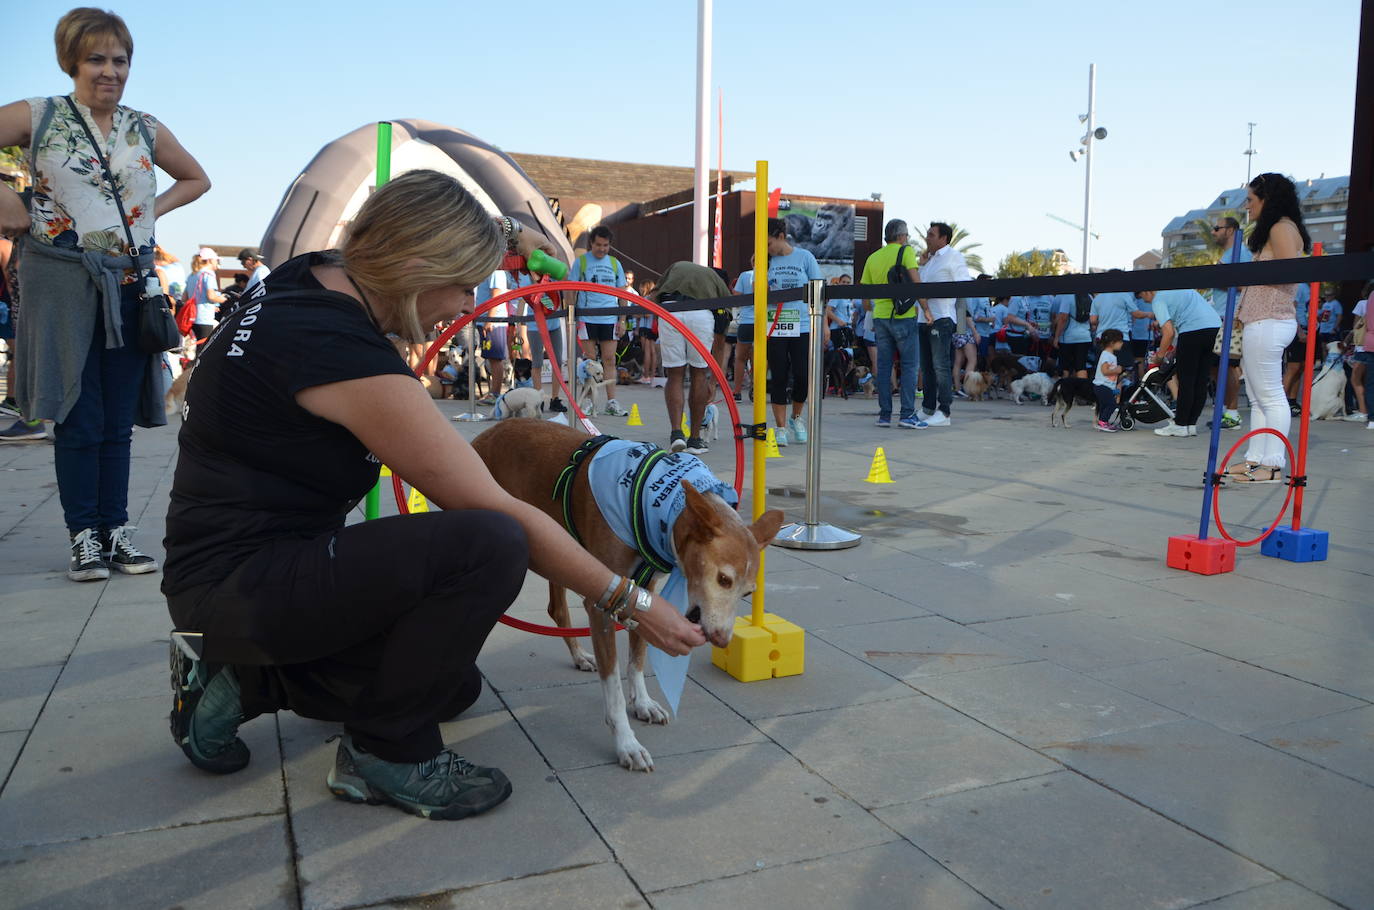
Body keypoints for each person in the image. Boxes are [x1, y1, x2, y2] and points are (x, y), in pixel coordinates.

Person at [161, 169, 707, 820]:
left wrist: (507, 230)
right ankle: (385, 753)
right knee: (491, 542)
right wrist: (635, 601)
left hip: (250, 568)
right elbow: (494, 506)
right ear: (418, 267)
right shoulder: (336, 350)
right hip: (236, 584)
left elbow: (424, 225)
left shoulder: (321, 275)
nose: (466, 305)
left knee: (448, 684)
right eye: (464, 286)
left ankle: (239, 679)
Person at [0, 8, 210, 579]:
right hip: (61, 278)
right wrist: (4, 193)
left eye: (120, 60)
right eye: (96, 58)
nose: (109, 71)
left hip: (129, 280)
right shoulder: (41, 115)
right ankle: (83, 537)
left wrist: (146, 219)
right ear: (72, 60)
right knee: (77, 412)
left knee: (119, 418)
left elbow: (197, 178)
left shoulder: (145, 125)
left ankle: (116, 532)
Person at [1228, 172, 1312, 481]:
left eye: (1250, 199)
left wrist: (1248, 278)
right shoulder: (1278, 228)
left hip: (1271, 319)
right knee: (1259, 393)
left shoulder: (1281, 227)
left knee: (1271, 395)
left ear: (1267, 199)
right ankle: (1256, 460)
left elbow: (1288, 273)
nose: (1246, 205)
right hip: (1261, 319)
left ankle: (1273, 464)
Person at [651, 262, 727, 454]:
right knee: (699, 375)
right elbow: (719, 345)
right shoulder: (719, 284)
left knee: (675, 375)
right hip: (701, 312)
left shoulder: (677, 266)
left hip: (669, 309)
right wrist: (713, 383)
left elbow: (654, 294)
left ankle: (676, 435)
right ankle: (694, 440)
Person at [763, 217, 822, 445]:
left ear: (780, 237)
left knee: (802, 375)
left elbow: (818, 290)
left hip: (803, 325)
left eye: (768, 244)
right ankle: (779, 427)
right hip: (775, 325)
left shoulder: (805, 257)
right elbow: (759, 293)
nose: (767, 249)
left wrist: (823, 324)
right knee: (778, 376)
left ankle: (796, 418)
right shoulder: (765, 260)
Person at [859, 219, 922, 428]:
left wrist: (875, 308)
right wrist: (926, 309)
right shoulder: (906, 252)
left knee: (884, 367)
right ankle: (907, 415)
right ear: (902, 236)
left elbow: (865, 298)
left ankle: (884, 415)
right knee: (909, 365)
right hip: (903, 316)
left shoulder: (873, 257)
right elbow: (916, 282)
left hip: (880, 317)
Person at [1138, 288, 1220, 437]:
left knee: (1186, 380)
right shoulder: (1181, 288)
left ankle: (1180, 425)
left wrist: (1160, 356)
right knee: (1200, 380)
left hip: (1192, 331)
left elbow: (1169, 333)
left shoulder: (1158, 299)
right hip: (1214, 328)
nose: (1146, 302)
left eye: (1143, 298)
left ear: (1147, 291)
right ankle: (1191, 424)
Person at [568, 225, 628, 416]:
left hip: (609, 318)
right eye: (598, 245)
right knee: (590, 362)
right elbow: (570, 289)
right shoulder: (581, 262)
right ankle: (588, 402)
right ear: (591, 244)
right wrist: (572, 317)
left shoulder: (615, 263)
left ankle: (611, 402)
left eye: (606, 245)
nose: (602, 249)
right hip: (587, 317)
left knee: (609, 360)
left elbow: (622, 293)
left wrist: (623, 319)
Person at [917, 222, 969, 426]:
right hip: (923, 319)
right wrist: (922, 264)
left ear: (943, 238)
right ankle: (928, 408)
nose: (927, 238)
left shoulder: (954, 256)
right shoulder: (928, 261)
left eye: (931, 234)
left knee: (941, 367)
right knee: (927, 367)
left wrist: (962, 325)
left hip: (942, 318)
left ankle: (944, 411)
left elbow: (964, 285)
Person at [1209, 218, 1250, 428]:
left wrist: (1221, 278)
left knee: (1229, 365)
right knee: (1217, 367)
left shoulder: (1241, 253)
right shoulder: (1228, 255)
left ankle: (1232, 412)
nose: (1213, 232)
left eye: (1217, 228)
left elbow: (1249, 285)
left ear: (1231, 230)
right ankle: (1226, 409)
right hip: (1219, 315)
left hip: (1231, 317)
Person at [186, 248, 227, 349]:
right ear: (209, 260)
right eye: (216, 260)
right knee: (203, 349)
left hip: (192, 317)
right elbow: (211, 296)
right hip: (204, 318)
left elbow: (185, 297)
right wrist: (223, 299)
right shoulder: (208, 274)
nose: (217, 262)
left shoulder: (192, 275)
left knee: (195, 349)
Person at [1092, 329, 1127, 433]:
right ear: (1112, 343)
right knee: (1111, 404)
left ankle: (1102, 422)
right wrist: (1117, 370)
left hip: (1106, 385)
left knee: (1105, 404)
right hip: (1102, 385)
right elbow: (1104, 371)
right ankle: (1103, 422)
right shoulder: (1106, 355)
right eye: (1120, 341)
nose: (1122, 343)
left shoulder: (1110, 355)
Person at [1053, 292, 1092, 378]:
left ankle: (1064, 390)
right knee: (1081, 366)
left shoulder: (1067, 297)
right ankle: (1082, 389)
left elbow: (1063, 318)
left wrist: (1056, 337)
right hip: (1085, 336)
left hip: (1068, 338)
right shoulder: (1089, 296)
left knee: (1064, 367)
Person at [731, 259, 755, 401]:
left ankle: (737, 391)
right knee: (760, 357)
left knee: (740, 357)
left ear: (752, 262)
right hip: (764, 321)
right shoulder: (769, 274)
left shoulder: (745, 275)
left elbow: (737, 296)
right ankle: (756, 388)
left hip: (746, 320)